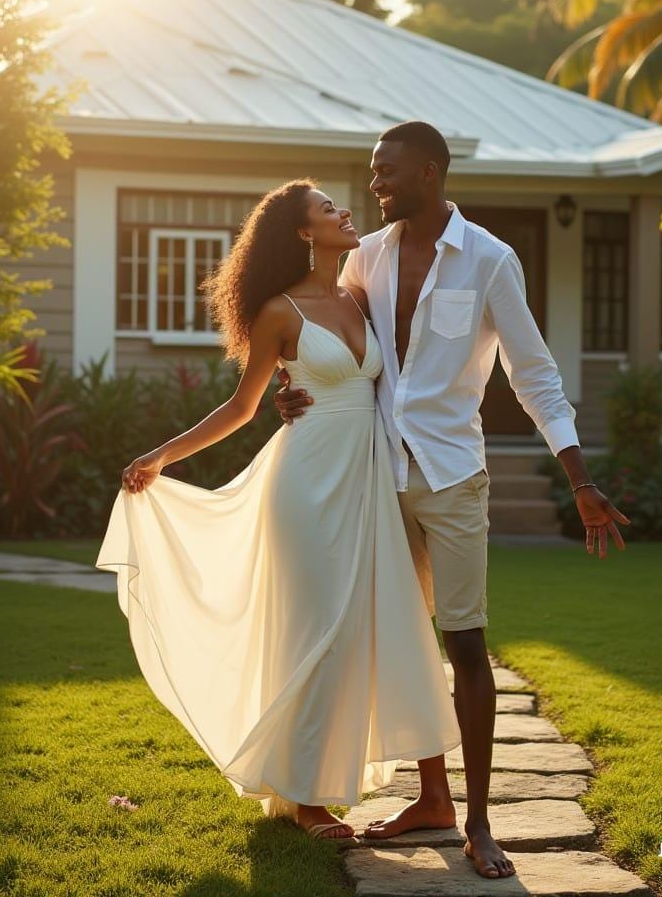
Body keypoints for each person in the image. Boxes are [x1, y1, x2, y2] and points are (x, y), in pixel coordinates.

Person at [275, 121, 631, 879]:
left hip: (452, 475)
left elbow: (533, 375)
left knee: (465, 641)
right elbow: (326, 337)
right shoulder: (365, 258)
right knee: (406, 636)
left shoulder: (490, 261)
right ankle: (432, 797)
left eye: (388, 172)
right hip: (374, 471)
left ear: (429, 173)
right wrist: (290, 387)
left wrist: (579, 479)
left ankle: (479, 820)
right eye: (375, 172)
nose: (375, 185)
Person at [94, 178, 461, 844]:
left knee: (387, 626)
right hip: (305, 485)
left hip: (369, 482)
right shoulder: (278, 312)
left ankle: (431, 794)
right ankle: (304, 797)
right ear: (301, 233)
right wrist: (159, 457)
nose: (343, 211)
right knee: (315, 631)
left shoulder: (359, 294)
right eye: (327, 209)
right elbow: (240, 407)